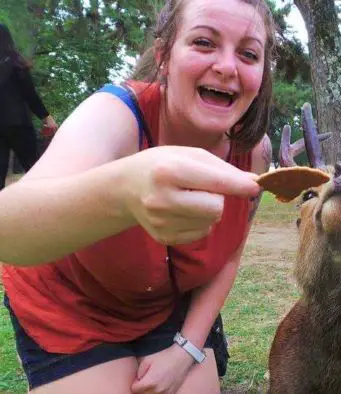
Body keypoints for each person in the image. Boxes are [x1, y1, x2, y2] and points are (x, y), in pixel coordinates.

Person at [0, 0, 275, 392]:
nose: (228, 67)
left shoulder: (255, 152)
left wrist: (187, 348)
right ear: (164, 56)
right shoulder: (114, 114)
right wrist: (124, 194)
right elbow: (6, 229)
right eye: (203, 42)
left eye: (249, 53)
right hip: (70, 306)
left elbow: (229, 254)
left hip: (163, 305)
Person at [0, 23, 58, 190]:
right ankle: (46, 205)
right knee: (35, 170)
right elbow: (30, 95)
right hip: (19, 125)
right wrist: (47, 118)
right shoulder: (17, 63)